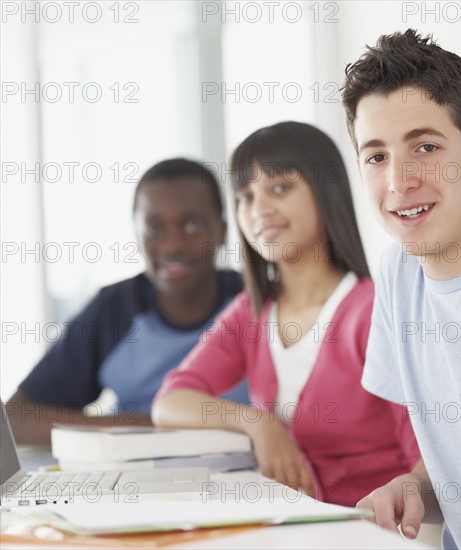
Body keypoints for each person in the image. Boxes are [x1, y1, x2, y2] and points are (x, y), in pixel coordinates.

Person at [152, 122, 420, 506]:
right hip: (283, 526)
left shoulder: (376, 313)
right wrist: (257, 422)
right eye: (244, 196)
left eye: (280, 188)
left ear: (326, 194)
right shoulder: (251, 312)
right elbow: (170, 402)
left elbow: (424, 465)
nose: (258, 210)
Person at [341, 29, 461, 549]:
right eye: (376, 156)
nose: (400, 182)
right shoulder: (400, 274)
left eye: (425, 147)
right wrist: (417, 486)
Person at [7, 158, 248, 445]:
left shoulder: (253, 302)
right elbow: (16, 417)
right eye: (155, 230)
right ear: (136, 234)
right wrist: (144, 426)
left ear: (221, 231)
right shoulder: (114, 309)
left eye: (193, 226)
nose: (174, 245)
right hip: (136, 471)